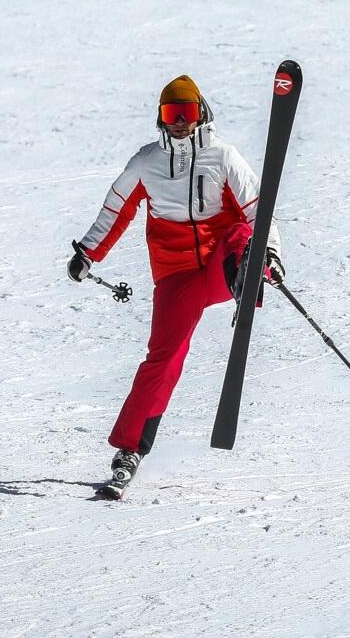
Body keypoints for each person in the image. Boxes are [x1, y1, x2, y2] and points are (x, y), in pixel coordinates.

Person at [67, 74, 284, 487]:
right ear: (160, 119)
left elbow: (257, 207)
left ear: (200, 113)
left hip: (221, 264)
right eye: (171, 114)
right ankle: (129, 449)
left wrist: (269, 252)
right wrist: (87, 253)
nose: (180, 121)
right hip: (176, 276)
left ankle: (247, 276)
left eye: (186, 113)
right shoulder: (146, 162)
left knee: (241, 232)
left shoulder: (223, 156)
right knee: (162, 360)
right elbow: (116, 209)